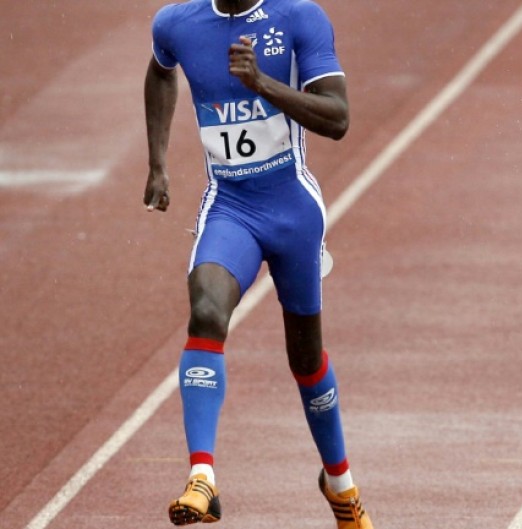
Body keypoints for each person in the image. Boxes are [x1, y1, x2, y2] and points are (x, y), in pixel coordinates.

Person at [143, 1, 374, 527]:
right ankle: (203, 476)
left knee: (306, 359)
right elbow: (160, 72)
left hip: (293, 210)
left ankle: (340, 484)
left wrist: (263, 85)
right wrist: (157, 162)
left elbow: (338, 118)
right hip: (229, 207)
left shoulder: (299, 19)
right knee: (205, 312)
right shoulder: (176, 23)